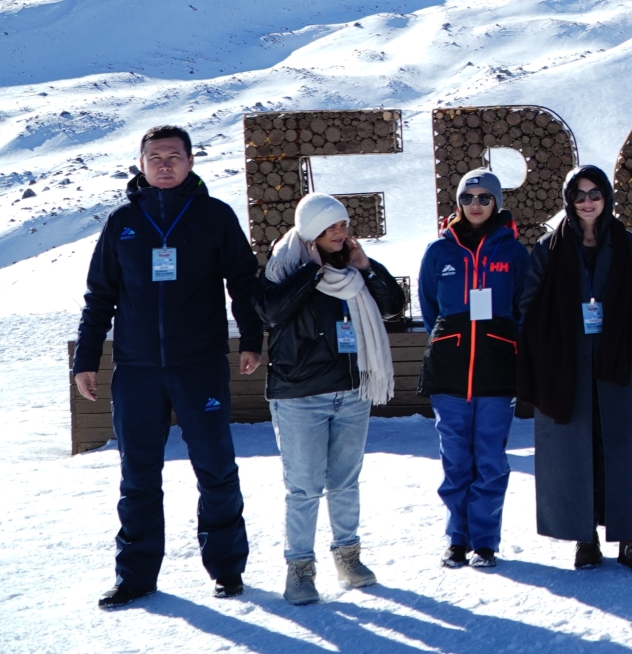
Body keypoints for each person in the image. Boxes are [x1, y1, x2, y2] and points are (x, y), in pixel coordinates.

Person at [73, 125, 265, 609]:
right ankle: (136, 576)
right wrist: (86, 359)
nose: (164, 164)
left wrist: (251, 339)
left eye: (174, 156)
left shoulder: (214, 216)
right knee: (138, 475)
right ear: (141, 164)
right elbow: (100, 295)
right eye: (155, 156)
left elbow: (243, 282)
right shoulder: (122, 222)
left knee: (215, 467)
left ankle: (227, 569)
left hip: (199, 364)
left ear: (191, 161)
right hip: (137, 369)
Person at [259, 193, 407, 603]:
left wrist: (367, 268)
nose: (340, 231)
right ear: (311, 229)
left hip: (351, 392)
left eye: (343, 224)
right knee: (304, 488)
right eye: (331, 225)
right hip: (300, 396)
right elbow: (270, 312)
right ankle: (300, 569)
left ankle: (348, 556)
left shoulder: (352, 268)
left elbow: (394, 308)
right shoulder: (284, 267)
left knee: (345, 481)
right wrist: (312, 272)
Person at [519, 166, 632, 574]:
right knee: (573, 452)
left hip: (615, 364)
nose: (587, 202)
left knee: (620, 450)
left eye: (594, 193)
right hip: (565, 366)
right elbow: (529, 304)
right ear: (569, 200)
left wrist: (628, 342)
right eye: (579, 195)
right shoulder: (549, 247)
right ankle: (584, 537)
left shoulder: (627, 243)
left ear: (606, 197)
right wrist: (550, 349)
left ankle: (630, 539)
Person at [417, 169, 529, 569]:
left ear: (497, 202)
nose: (475, 204)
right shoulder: (439, 251)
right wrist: (450, 341)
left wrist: (505, 344)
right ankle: (456, 539)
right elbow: (429, 307)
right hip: (450, 370)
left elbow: (523, 308)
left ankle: (483, 541)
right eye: (467, 197)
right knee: (455, 460)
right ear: (458, 203)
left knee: (490, 459)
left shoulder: (514, 252)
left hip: (497, 370)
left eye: (484, 197)